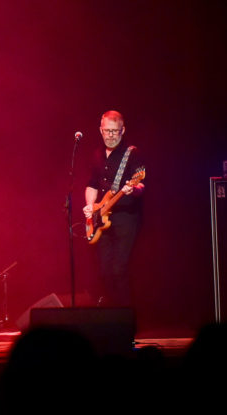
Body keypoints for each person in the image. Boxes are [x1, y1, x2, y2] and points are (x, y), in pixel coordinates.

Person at [83, 110, 144, 307]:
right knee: (104, 271)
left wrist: (132, 188)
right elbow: (92, 184)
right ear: (100, 130)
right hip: (101, 217)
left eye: (114, 131)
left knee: (119, 269)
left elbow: (141, 184)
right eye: (107, 131)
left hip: (126, 218)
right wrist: (90, 207)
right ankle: (110, 313)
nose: (110, 135)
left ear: (122, 130)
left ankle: (126, 317)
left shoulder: (131, 153)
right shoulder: (97, 154)